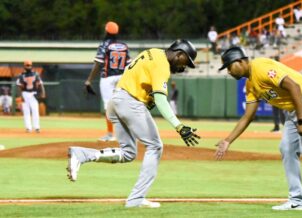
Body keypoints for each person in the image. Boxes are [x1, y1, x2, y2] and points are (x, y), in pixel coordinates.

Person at [67, 39, 201, 208]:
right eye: (186, 62)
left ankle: (81, 155)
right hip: (130, 101)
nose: (184, 67)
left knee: (128, 153)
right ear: (179, 54)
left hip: (116, 100)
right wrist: (179, 126)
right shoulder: (162, 66)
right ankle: (136, 199)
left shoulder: (153, 51)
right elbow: (160, 99)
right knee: (155, 146)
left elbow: (141, 80)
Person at [215, 46, 302, 214]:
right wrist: (228, 140)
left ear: (240, 61)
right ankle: (296, 200)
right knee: (286, 148)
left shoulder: (261, 67)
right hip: (295, 108)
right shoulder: (250, 85)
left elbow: (294, 87)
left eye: (229, 66)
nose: (228, 71)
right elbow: (247, 117)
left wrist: (301, 120)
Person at [85, 21, 131, 142]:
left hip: (107, 78)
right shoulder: (124, 46)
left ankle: (110, 134)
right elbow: (129, 65)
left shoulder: (104, 45)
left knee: (108, 106)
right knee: (122, 105)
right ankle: (127, 133)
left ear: (106, 31)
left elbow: (98, 64)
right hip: (121, 77)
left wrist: (89, 80)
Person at [16, 60, 45, 133]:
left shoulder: (36, 74)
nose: (28, 66)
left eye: (29, 65)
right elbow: (19, 86)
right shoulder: (21, 75)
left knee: (35, 110)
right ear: (24, 66)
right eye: (27, 65)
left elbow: (41, 84)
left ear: (31, 65)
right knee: (26, 111)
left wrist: (43, 92)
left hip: (33, 94)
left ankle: (37, 127)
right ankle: (28, 128)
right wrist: (21, 96)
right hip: (25, 93)